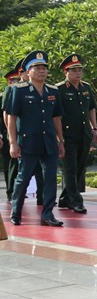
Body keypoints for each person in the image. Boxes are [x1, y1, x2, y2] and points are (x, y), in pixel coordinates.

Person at [7, 51, 65, 227]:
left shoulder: (53, 91)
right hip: (28, 141)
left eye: (44, 68)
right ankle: (16, 212)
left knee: (50, 179)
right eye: (37, 68)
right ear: (28, 71)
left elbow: (56, 118)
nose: (42, 71)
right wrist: (13, 142)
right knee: (23, 177)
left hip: (49, 141)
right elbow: (11, 117)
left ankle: (47, 214)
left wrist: (61, 141)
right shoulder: (19, 90)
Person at [56, 54, 96, 215]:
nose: (78, 73)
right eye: (74, 70)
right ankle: (76, 201)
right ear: (66, 72)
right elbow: (56, 115)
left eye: (80, 70)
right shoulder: (59, 89)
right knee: (70, 169)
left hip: (84, 134)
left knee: (80, 168)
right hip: (67, 135)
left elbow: (91, 108)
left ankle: (65, 198)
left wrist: (94, 128)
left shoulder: (86, 88)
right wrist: (59, 138)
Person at [4, 58, 44, 204]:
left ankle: (42, 197)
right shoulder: (14, 89)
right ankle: (13, 196)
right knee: (18, 168)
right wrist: (11, 136)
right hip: (19, 134)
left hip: (38, 136)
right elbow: (7, 114)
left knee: (40, 169)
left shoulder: (41, 89)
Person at [2, 63, 22, 202]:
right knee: (11, 163)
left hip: (22, 132)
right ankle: (11, 192)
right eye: (13, 80)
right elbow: (6, 115)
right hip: (8, 133)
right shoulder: (6, 93)